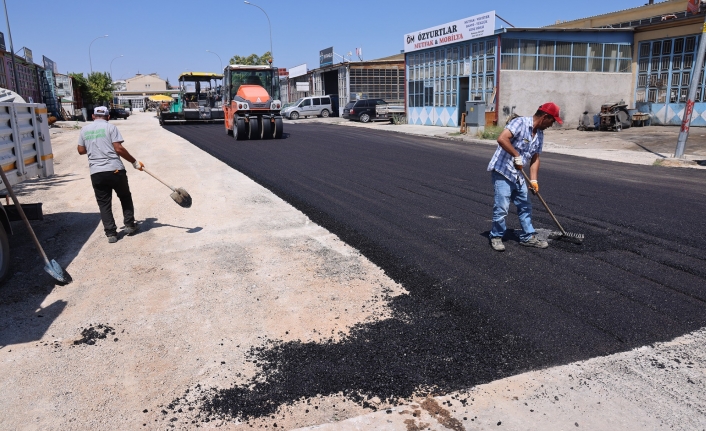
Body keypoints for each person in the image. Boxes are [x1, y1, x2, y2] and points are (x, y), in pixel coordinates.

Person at [487, 102, 563, 252]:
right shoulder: (520, 123)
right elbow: (502, 138)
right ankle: (496, 236)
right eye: (552, 121)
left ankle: (528, 237)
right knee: (502, 207)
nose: (551, 125)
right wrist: (516, 155)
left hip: (519, 175)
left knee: (525, 206)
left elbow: (535, 158)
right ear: (545, 117)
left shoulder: (539, 134)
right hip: (503, 171)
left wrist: (534, 180)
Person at [77, 106, 145, 244]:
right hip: (115, 170)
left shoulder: (84, 130)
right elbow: (118, 148)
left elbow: (81, 150)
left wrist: (93, 146)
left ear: (93, 116)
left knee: (104, 203)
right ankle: (130, 225)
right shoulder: (111, 128)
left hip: (96, 172)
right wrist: (134, 162)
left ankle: (111, 234)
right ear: (108, 117)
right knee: (125, 197)